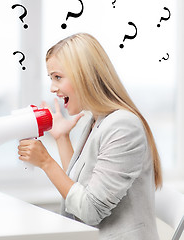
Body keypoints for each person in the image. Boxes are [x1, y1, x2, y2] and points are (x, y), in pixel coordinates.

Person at [18, 33, 162, 240]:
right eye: (51, 78)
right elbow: (80, 186)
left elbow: (90, 210)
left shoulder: (123, 126)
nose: (52, 88)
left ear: (83, 75)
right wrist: (62, 138)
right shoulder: (95, 120)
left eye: (58, 77)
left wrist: (46, 162)